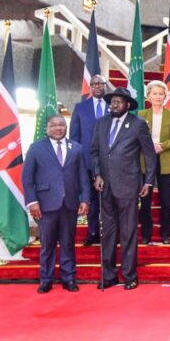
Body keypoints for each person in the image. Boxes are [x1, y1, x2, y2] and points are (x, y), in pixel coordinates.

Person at [91, 87, 156, 290]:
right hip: (105, 187)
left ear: (128, 105)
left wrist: (148, 182)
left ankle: (129, 276)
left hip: (128, 186)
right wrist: (97, 174)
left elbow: (150, 155)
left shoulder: (138, 124)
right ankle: (108, 276)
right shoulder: (101, 123)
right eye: (113, 102)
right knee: (108, 233)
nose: (115, 105)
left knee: (128, 233)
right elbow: (94, 152)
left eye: (119, 102)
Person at [23, 115, 90, 294]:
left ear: (66, 127)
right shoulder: (36, 148)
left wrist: (85, 199)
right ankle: (46, 279)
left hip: (70, 203)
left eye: (61, 125)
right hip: (45, 204)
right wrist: (32, 201)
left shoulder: (76, 148)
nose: (58, 128)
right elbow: (27, 178)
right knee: (47, 244)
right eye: (53, 125)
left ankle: (69, 278)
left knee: (68, 243)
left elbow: (83, 176)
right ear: (47, 128)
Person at [138, 81, 170, 245]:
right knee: (145, 201)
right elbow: (138, 137)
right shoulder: (141, 115)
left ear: (165, 96)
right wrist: (149, 147)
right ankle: (146, 234)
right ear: (148, 96)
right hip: (145, 161)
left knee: (166, 201)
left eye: (161, 94)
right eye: (154, 93)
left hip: (166, 159)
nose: (158, 96)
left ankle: (166, 234)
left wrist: (162, 146)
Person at [69, 74, 107, 246]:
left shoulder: (113, 106)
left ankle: (109, 232)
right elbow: (74, 137)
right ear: (90, 87)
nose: (97, 86)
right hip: (86, 161)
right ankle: (92, 232)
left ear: (105, 86)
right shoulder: (80, 108)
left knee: (107, 200)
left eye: (100, 83)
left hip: (109, 162)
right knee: (90, 199)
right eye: (94, 84)